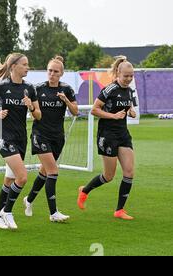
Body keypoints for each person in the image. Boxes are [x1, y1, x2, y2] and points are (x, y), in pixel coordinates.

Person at [0, 53, 41, 230]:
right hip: (4, 137)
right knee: (22, 177)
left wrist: (31, 106)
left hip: (21, 139)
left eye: (28, 64)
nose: (28, 67)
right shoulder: (1, 86)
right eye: (25, 64)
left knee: (8, 181)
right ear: (13, 66)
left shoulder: (30, 88)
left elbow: (38, 115)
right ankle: (8, 211)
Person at [77, 56, 137, 220]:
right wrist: (113, 115)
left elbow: (129, 107)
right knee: (108, 176)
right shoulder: (109, 89)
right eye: (126, 76)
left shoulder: (129, 90)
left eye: (131, 76)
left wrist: (131, 111)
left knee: (129, 172)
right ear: (118, 73)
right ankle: (84, 191)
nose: (129, 79)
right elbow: (94, 110)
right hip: (107, 135)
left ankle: (119, 210)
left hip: (123, 134)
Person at [20, 56, 79, 222]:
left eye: (55, 71)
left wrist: (66, 100)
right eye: (50, 71)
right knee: (53, 171)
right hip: (40, 134)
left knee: (45, 171)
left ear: (61, 73)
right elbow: (33, 112)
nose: (52, 74)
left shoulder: (66, 89)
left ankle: (29, 200)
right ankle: (53, 213)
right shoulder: (38, 89)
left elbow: (75, 112)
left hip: (58, 136)